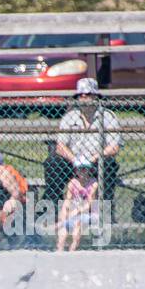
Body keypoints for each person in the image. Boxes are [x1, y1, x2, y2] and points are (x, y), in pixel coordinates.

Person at [44, 77, 121, 214]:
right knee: (53, 162)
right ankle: (53, 209)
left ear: (96, 96)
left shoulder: (108, 116)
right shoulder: (69, 117)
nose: (84, 97)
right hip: (72, 162)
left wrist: (94, 158)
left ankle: (105, 212)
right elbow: (60, 146)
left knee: (109, 163)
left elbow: (114, 147)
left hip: (97, 161)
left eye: (88, 94)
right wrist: (75, 160)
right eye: (80, 95)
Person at [57, 158, 100, 251]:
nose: (82, 171)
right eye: (79, 169)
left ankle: (73, 247)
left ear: (89, 170)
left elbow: (89, 204)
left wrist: (76, 211)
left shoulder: (93, 183)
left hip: (90, 214)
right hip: (74, 213)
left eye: (85, 169)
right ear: (76, 170)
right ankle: (59, 248)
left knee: (78, 223)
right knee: (63, 227)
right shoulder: (73, 183)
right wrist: (63, 214)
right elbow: (67, 201)